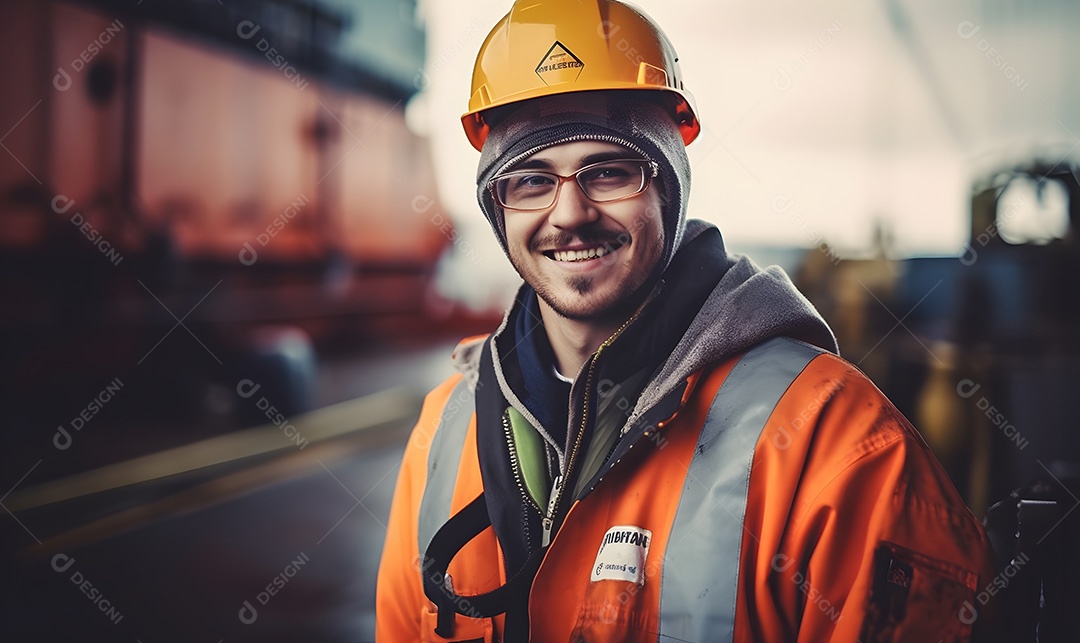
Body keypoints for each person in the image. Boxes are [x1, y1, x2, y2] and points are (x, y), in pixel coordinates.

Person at [377, 1, 997, 640]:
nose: (568, 214)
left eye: (609, 172)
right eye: (531, 180)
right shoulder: (446, 425)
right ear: (497, 206)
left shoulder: (834, 438)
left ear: (667, 188)